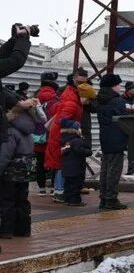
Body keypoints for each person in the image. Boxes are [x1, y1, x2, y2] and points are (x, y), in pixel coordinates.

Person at [0, 98, 43, 238]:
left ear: (15, 115)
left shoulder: (11, 131)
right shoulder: (29, 132)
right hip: (24, 171)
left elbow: (5, 155)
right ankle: (23, 229)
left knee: (7, 201)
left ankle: (6, 230)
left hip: (9, 172)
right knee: (22, 200)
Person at [46, 70, 85, 203]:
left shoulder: (69, 94)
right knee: (62, 164)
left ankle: (59, 190)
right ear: (74, 80)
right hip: (62, 135)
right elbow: (63, 119)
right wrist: (75, 125)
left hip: (59, 134)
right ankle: (59, 191)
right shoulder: (72, 100)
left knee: (61, 164)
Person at [96, 74, 128, 210]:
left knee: (105, 169)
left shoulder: (100, 100)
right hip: (117, 138)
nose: (120, 87)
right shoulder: (117, 101)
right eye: (118, 84)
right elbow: (124, 118)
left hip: (105, 137)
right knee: (114, 170)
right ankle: (111, 199)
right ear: (113, 86)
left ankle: (103, 198)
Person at [34, 72, 58, 195]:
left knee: (40, 162)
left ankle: (41, 188)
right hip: (52, 134)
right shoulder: (55, 98)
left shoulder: (34, 96)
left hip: (37, 134)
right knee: (54, 161)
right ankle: (54, 187)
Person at [59, 119, 92, 206]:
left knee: (68, 185)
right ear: (75, 130)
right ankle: (75, 201)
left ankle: (67, 199)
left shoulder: (64, 141)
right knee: (76, 186)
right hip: (76, 168)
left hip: (66, 168)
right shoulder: (76, 140)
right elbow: (80, 151)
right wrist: (88, 151)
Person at [121, 82, 134, 175]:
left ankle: (131, 168)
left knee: (132, 149)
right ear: (128, 89)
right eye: (133, 88)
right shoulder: (121, 100)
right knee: (123, 149)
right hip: (124, 128)